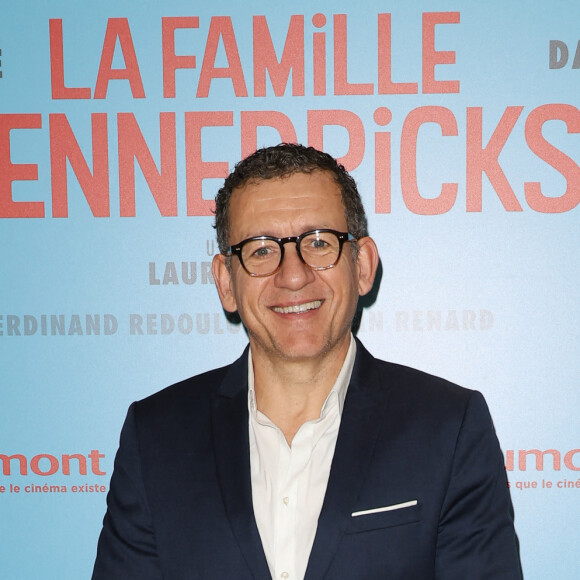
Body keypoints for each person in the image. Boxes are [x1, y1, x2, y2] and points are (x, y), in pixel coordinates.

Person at [92, 143, 522, 579]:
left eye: (319, 242)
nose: (293, 274)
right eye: (261, 249)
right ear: (226, 282)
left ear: (363, 265)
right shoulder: (156, 437)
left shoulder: (447, 427)